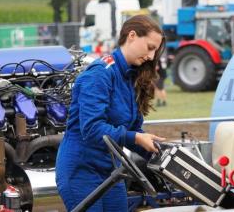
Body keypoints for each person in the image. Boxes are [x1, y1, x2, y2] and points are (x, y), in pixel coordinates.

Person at [56, 15, 166, 211]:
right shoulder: (99, 74)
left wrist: (160, 151)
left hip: (111, 169)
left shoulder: (130, 76)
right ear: (132, 36)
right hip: (81, 171)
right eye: (150, 47)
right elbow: (92, 129)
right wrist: (136, 137)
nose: (151, 56)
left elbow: (132, 130)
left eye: (155, 51)